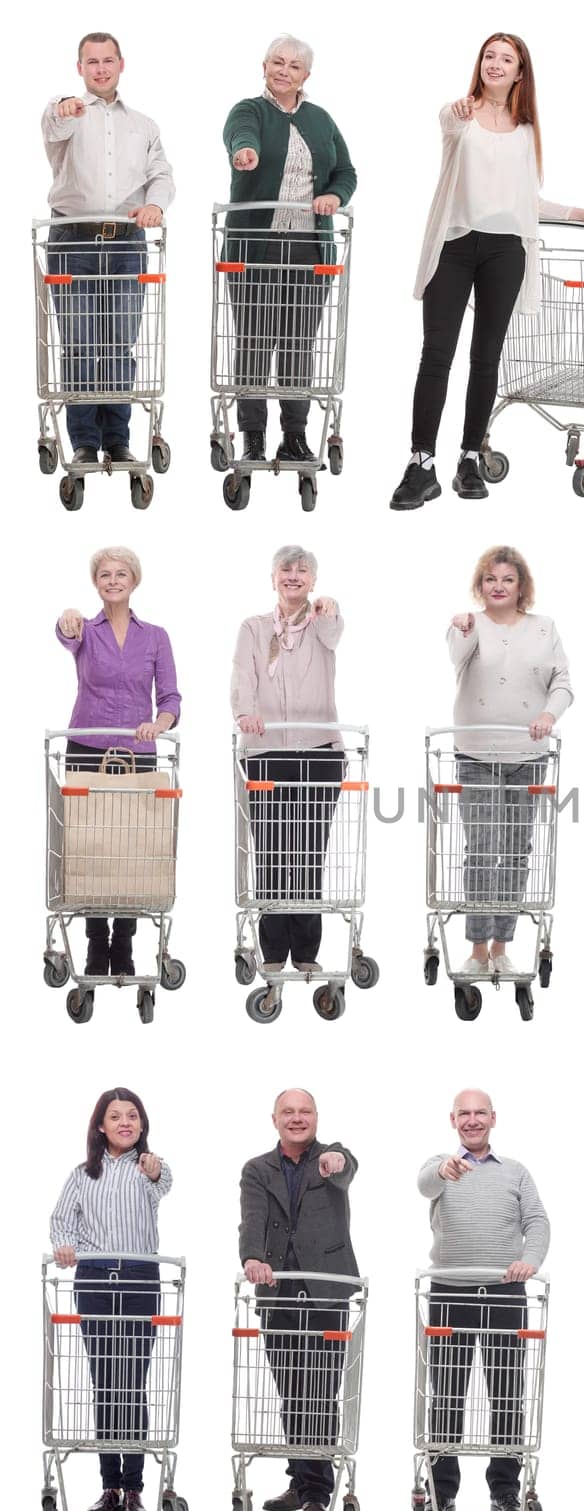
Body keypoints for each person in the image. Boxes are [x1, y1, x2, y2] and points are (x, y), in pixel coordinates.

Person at [392, 33, 584, 510]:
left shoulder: (526, 130)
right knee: (436, 354)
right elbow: (451, 136)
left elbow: (527, 203)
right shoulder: (458, 115)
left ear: (520, 72)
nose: (495, 64)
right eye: (489, 56)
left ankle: (470, 457)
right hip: (453, 243)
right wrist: (456, 118)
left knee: (486, 356)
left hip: (504, 251)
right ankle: (420, 464)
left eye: (506, 59)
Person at [222, 35, 357, 465]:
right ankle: (253, 435)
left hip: (308, 250)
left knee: (299, 342)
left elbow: (346, 171)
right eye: (276, 62)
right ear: (263, 66)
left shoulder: (321, 119)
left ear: (306, 76)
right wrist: (245, 152)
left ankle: (294, 435)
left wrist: (333, 197)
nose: (283, 70)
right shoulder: (249, 111)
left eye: (293, 66)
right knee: (254, 341)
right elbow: (241, 136)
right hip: (255, 248)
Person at [42, 33, 174, 466]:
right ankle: (83, 440)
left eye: (108, 60)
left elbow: (161, 173)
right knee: (79, 342)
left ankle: (118, 439)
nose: (100, 68)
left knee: (120, 341)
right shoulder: (66, 113)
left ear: (121, 64)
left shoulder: (143, 124)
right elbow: (52, 123)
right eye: (91, 62)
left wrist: (155, 203)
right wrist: (64, 106)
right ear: (79, 68)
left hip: (126, 242)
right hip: (73, 240)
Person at [417, 1087, 550, 1511]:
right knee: (447, 1395)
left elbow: (538, 1221)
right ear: (452, 1120)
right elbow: (424, 1184)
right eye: (463, 1114)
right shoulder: (440, 1166)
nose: (472, 1120)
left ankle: (505, 1489)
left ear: (494, 1118)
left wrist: (529, 1261)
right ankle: (442, 1487)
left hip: (504, 1293)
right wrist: (444, 1168)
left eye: (480, 1113)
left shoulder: (515, 1171)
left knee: (508, 1395)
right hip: (449, 1293)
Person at [448, 546, 572, 976]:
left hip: (527, 756)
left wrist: (547, 715)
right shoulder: (469, 623)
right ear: (480, 586)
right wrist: (462, 628)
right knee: (481, 848)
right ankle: (477, 949)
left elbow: (563, 683)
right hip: (476, 752)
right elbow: (456, 657)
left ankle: (503, 945)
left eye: (507, 579)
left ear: (522, 586)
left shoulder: (544, 627)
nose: (497, 587)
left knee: (517, 850)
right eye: (490, 579)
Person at [57, 547, 180, 977]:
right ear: (96, 583)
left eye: (121, 573)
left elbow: (169, 698)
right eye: (105, 574)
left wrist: (159, 723)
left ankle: (124, 941)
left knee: (133, 849)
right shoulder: (86, 631)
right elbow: (65, 632)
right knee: (92, 848)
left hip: (136, 753)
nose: (113, 580)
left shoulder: (156, 636)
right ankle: (95, 943)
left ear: (134, 580)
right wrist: (66, 618)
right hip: (88, 748)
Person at [49, 1088, 171, 1511]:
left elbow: (163, 1184)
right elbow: (62, 1220)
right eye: (115, 1116)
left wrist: (154, 1172)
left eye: (132, 1116)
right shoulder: (84, 1173)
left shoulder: (149, 1168)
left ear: (142, 1124)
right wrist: (64, 1247)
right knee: (106, 1382)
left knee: (133, 1382)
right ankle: (110, 1487)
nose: (125, 1122)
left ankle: (134, 1487)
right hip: (95, 1278)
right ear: (100, 1125)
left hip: (139, 1278)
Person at [239, 1087, 359, 1511]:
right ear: (275, 1120)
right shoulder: (257, 1169)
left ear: (316, 1117)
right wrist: (252, 1257)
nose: (296, 1118)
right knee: (292, 1392)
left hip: (326, 1294)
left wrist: (338, 1162)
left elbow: (347, 1165)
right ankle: (299, 1479)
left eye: (304, 1111)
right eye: (287, 1112)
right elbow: (251, 1220)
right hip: (279, 1294)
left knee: (321, 1392)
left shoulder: (333, 1157)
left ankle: (316, 1490)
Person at [231, 545, 344, 974]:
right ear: (273, 578)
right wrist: (245, 714)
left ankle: (308, 953)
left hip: (319, 752)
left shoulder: (322, 622)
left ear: (313, 580)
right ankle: (274, 952)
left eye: (302, 571)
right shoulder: (254, 627)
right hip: (268, 751)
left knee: (310, 851)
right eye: (285, 570)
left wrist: (328, 610)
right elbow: (243, 673)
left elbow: (334, 634)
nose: (293, 576)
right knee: (273, 852)